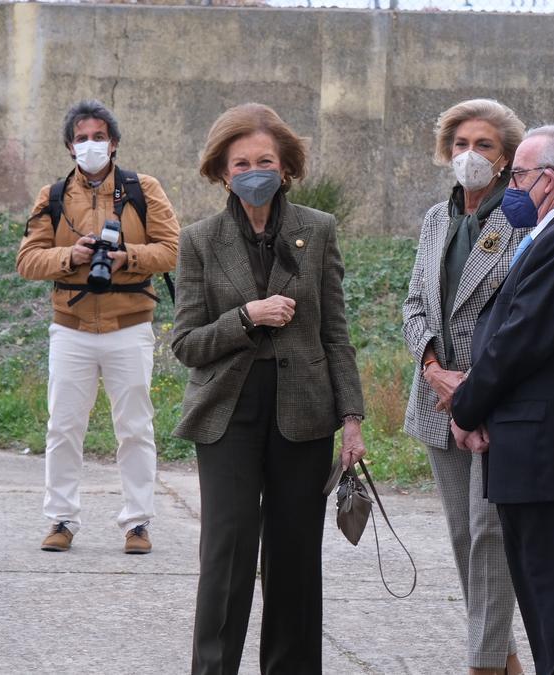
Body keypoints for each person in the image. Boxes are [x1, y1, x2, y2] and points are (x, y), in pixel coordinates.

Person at [171, 103, 366, 674]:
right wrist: (247, 316)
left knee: (295, 559)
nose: (252, 171)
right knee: (227, 553)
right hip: (226, 414)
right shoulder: (199, 240)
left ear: (285, 169)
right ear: (221, 172)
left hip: (304, 413)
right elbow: (186, 343)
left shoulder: (318, 229)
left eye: (264, 160)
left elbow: (336, 332)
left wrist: (351, 417)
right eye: (240, 162)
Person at [449, 125, 554, 674]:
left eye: (518, 174)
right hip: (538, 454)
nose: (510, 185)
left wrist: (465, 405)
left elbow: (518, 343)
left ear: (548, 180)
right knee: (548, 610)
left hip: (551, 456)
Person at [17, 99, 179, 555]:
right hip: (70, 327)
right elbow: (28, 260)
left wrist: (129, 257)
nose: (92, 145)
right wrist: (73, 255)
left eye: (99, 136)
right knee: (64, 426)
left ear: (115, 142)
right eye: (82, 138)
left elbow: (171, 248)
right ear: (70, 146)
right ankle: (61, 519)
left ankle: (138, 524)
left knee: (135, 427)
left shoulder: (142, 189)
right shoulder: (51, 197)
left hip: (129, 325)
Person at [401, 98, 527, 675]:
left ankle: (481, 663)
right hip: (435, 396)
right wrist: (433, 369)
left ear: (505, 159)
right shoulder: (435, 219)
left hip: (490, 402)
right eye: (460, 144)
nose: (469, 156)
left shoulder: (519, 221)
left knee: (489, 533)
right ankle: (502, 657)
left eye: (484, 146)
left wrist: (471, 385)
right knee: (461, 536)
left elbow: (517, 316)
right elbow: (414, 304)